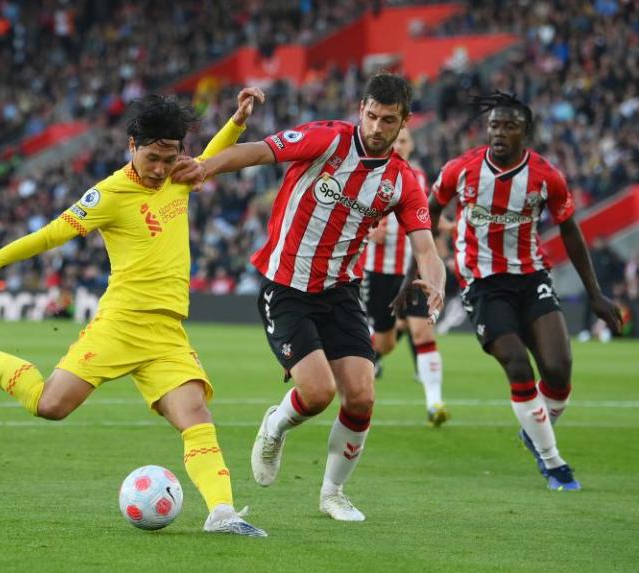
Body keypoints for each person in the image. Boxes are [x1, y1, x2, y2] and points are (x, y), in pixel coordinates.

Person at [0, 88, 269, 537]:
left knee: (196, 415)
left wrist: (238, 120)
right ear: (132, 146)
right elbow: (50, 234)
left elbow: (212, 156)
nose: (161, 168)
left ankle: (222, 514)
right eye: (153, 157)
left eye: (170, 157)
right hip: (121, 324)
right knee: (50, 405)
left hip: (167, 332)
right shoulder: (108, 194)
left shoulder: (179, 177)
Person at [172, 72, 446, 521]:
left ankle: (332, 493)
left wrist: (435, 281)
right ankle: (275, 426)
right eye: (372, 116)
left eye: (388, 120)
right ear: (361, 109)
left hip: (340, 291)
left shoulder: (402, 181)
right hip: (286, 286)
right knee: (318, 393)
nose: (377, 128)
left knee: (361, 396)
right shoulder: (327, 140)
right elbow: (257, 152)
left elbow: (425, 248)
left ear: (404, 122)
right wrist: (206, 165)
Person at [411, 91, 623, 490]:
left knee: (558, 372)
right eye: (494, 125)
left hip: (531, 277)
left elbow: (571, 231)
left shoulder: (546, 176)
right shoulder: (462, 169)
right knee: (518, 365)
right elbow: (429, 208)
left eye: (509, 126)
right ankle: (553, 461)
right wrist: (421, 263)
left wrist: (595, 293)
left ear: (526, 132)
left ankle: (534, 429)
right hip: (482, 283)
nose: (499, 133)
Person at [362, 128, 448, 426]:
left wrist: (447, 228)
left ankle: (435, 403)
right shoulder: (368, 171)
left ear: (411, 146)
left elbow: (427, 215)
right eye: (396, 140)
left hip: (412, 270)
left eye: (404, 141)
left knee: (423, 332)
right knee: (385, 343)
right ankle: (357, 359)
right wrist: (369, 232)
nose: (399, 145)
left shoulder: (420, 177)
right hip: (378, 272)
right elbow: (351, 214)